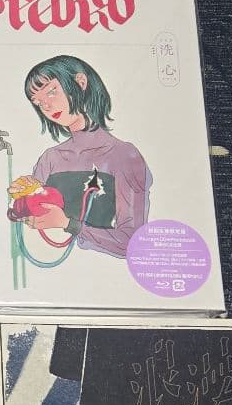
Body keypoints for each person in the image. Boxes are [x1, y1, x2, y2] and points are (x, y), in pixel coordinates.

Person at [14, 55, 152, 259]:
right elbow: (31, 222)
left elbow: (132, 242)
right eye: (39, 103)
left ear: (80, 82)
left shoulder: (123, 155)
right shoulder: (50, 159)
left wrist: (68, 224)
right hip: (54, 268)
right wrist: (21, 199)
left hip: (106, 270)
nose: (47, 107)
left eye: (51, 92)